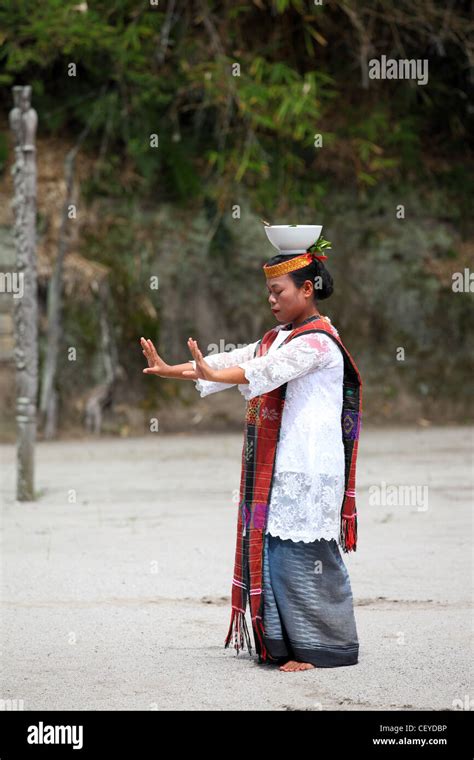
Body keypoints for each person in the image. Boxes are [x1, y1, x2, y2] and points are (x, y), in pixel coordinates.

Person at [140, 247, 362, 672]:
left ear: (308, 289)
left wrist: (209, 372)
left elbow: (264, 371)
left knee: (308, 557)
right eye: (268, 293)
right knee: (275, 551)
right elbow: (231, 361)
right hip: (282, 462)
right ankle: (283, 644)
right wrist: (173, 369)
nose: (272, 300)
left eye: (279, 291)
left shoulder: (317, 341)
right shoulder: (276, 338)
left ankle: (326, 648)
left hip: (310, 466)